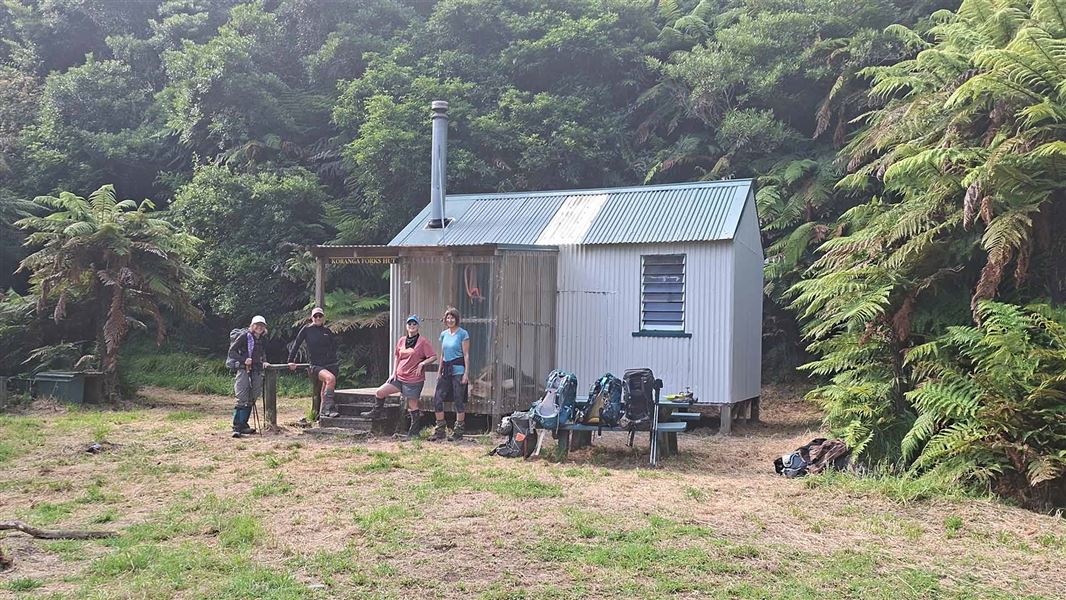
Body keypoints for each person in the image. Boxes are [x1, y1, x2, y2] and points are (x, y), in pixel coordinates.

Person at [365, 315, 436, 436]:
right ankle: (377, 412)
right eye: (410, 324)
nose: (412, 326)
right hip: (399, 376)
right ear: (406, 326)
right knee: (380, 392)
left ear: (418, 326)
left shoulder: (423, 342)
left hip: (414, 379)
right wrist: (393, 372)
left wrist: (422, 363)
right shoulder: (402, 340)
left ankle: (414, 431)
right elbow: (397, 356)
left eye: (414, 324)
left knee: (412, 404)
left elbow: (433, 356)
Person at [288, 307, 340, 418]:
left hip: (330, 364)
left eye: (320, 316)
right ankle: (329, 408)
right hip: (315, 366)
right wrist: (290, 361)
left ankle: (322, 416)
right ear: (311, 318)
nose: (318, 318)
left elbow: (334, 347)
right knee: (330, 379)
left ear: (323, 318)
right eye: (315, 316)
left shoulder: (327, 331)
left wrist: (334, 361)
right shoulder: (306, 329)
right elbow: (296, 344)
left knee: (325, 386)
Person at [431, 306, 470, 441]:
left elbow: (466, 354)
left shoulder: (463, 334)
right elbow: (442, 354)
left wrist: (466, 373)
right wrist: (439, 371)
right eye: (448, 317)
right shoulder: (444, 334)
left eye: (452, 317)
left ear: (456, 319)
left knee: (458, 400)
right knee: (437, 398)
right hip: (446, 369)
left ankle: (458, 431)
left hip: (458, 369)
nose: (450, 320)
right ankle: (440, 430)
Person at [228, 315, 267, 438]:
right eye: (257, 325)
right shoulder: (245, 336)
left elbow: (262, 353)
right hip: (244, 370)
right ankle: (236, 426)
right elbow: (232, 352)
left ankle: (244, 425)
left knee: (252, 397)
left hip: (256, 370)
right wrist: (244, 360)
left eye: (262, 325)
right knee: (242, 397)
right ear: (252, 325)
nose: (259, 327)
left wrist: (264, 361)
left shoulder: (262, 339)